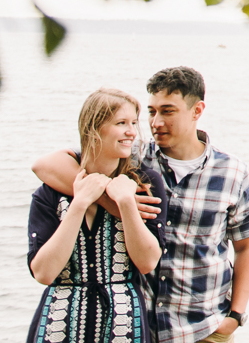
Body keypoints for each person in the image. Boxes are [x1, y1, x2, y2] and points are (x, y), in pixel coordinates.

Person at [35, 66, 249, 343]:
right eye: (151, 112)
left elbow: (246, 246)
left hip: (204, 328)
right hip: (140, 327)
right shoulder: (133, 157)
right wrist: (108, 199)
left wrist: (236, 316)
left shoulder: (232, 172)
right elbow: (46, 165)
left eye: (168, 111)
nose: (155, 122)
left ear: (197, 110)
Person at [26, 88, 167, 343]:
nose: (132, 132)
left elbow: (147, 262)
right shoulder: (49, 194)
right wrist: (79, 203)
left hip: (123, 326)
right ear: (93, 128)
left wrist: (125, 203)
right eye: (121, 123)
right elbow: (44, 273)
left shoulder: (145, 184)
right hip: (59, 325)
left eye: (134, 123)